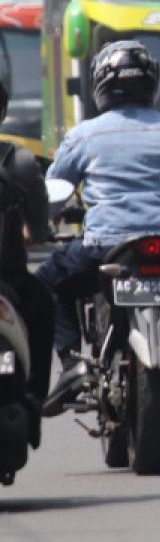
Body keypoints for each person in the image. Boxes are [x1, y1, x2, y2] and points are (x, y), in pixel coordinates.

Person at [37, 40, 160, 423]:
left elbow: (53, 193)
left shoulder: (84, 135)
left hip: (104, 248)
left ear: (100, 86)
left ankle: (72, 362)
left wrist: (45, 221)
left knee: (45, 284)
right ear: (151, 84)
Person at [0, 79, 52, 448]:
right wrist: (34, 232)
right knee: (45, 305)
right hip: (10, 282)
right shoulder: (15, 160)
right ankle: (35, 396)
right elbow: (38, 226)